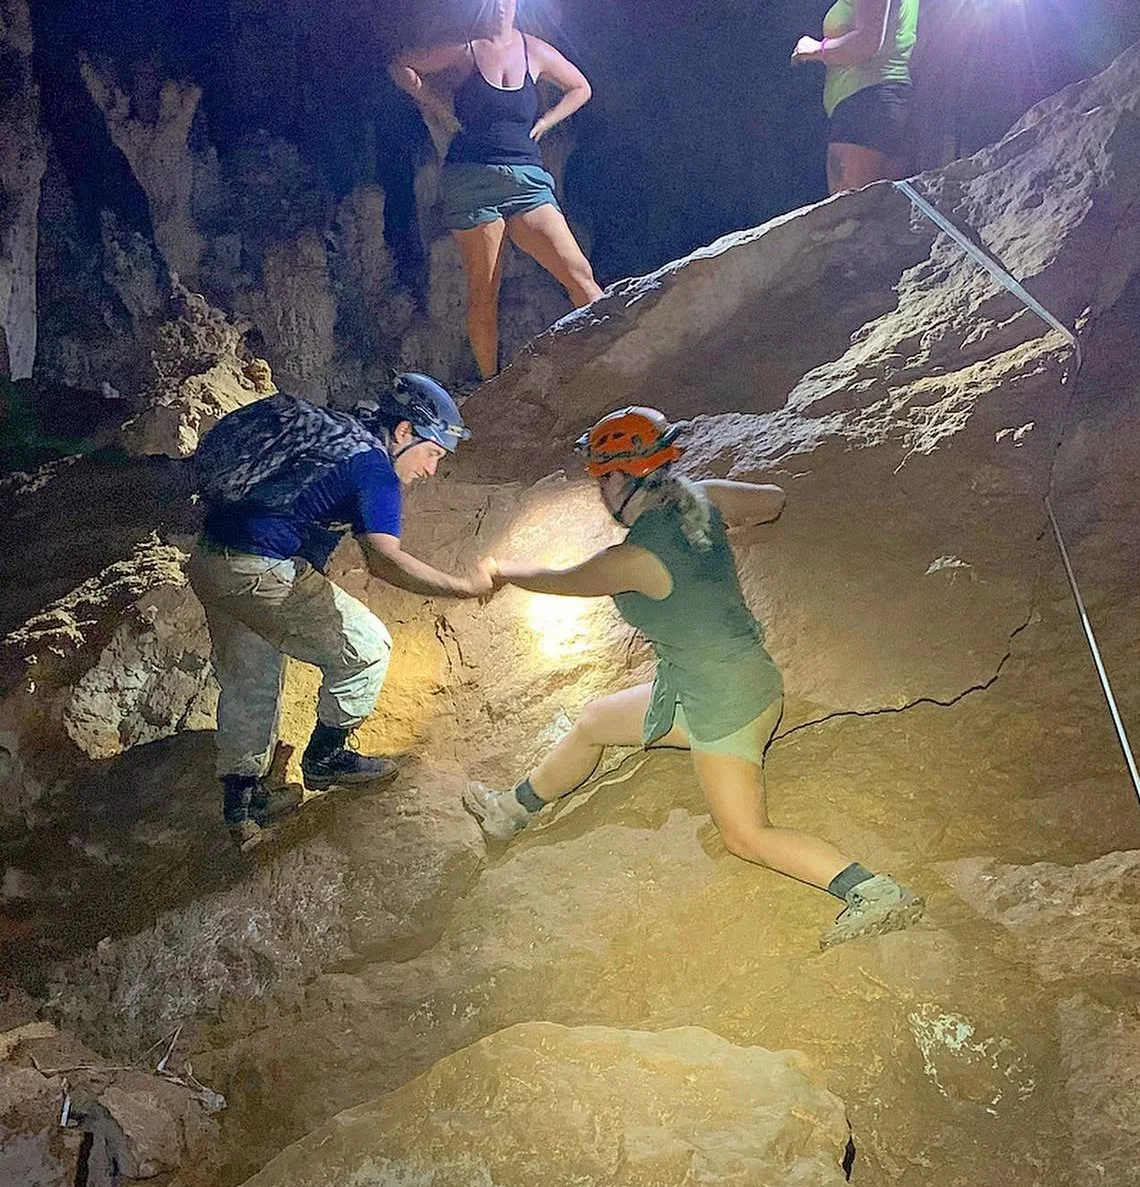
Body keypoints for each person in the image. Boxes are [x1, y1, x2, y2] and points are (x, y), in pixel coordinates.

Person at [464, 407, 924, 949]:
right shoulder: (701, 499)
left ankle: (872, 891)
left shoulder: (633, 556)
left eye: (600, 478)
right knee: (594, 720)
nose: (600, 490)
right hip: (714, 681)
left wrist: (497, 571)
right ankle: (511, 811)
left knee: (745, 836)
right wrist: (712, 510)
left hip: (726, 704)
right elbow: (772, 500)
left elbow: (564, 581)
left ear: (617, 477)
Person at [188, 373, 495, 851]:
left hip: (211, 561)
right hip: (258, 568)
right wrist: (463, 587)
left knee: (252, 675)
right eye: (433, 452)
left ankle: (243, 804)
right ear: (403, 433)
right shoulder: (374, 468)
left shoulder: (335, 436)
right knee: (366, 649)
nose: (433, 469)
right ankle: (327, 759)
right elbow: (384, 559)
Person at [389, 0, 603, 381]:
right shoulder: (464, 49)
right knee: (484, 292)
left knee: (579, 273)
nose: (501, 6)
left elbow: (580, 86)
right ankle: (491, 384)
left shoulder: (533, 49)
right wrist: (437, 102)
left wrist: (547, 121)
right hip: (473, 180)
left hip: (527, 181)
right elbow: (402, 66)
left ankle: (610, 359)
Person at [791, 0, 920, 194]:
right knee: (885, 215)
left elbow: (867, 40)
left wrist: (815, 49)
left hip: (866, 105)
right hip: (887, 102)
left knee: (850, 211)